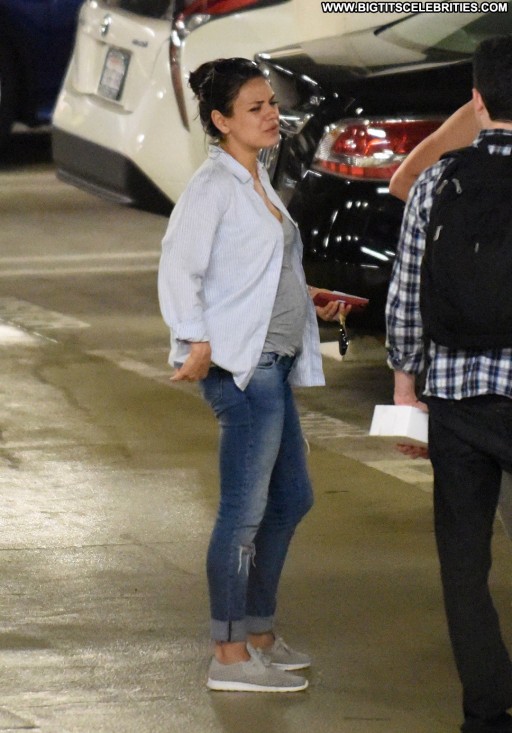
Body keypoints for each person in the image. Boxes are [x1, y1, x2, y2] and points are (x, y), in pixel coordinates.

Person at [158, 57, 345, 693]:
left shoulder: (256, 175)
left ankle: (259, 633)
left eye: (272, 104)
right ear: (220, 120)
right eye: (255, 108)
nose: (272, 116)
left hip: (274, 360)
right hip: (243, 368)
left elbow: (251, 269)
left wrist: (307, 298)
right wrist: (195, 338)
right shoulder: (211, 187)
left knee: (291, 497)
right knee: (243, 513)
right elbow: (178, 267)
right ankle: (230, 655)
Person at [386, 35, 512, 733]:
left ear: (477, 100)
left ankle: (486, 711)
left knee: (464, 566)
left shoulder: (438, 181)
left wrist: (406, 390)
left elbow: (407, 296)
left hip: (459, 400)